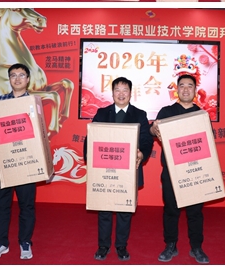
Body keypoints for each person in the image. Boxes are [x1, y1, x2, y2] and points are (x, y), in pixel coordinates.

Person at [89, 77, 153, 261]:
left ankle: (121, 246)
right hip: (105, 170)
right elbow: (91, 137)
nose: (121, 94)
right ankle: (103, 246)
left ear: (131, 93)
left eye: (125, 90)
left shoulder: (139, 114)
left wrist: (142, 153)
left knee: (125, 211)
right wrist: (90, 159)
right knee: (104, 209)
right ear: (112, 93)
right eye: (117, 90)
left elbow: (146, 140)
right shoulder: (102, 113)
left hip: (128, 171)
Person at [149, 74, 210, 264]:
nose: (185, 89)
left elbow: (208, 141)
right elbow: (152, 131)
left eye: (189, 86)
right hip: (172, 170)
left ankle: (196, 247)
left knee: (195, 211)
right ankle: (170, 244)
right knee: (171, 209)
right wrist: (154, 128)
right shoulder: (166, 111)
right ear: (177, 89)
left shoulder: (201, 115)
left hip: (195, 170)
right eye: (182, 86)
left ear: (195, 90)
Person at [0, 63, 37, 260]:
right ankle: (1, 242)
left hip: (26, 160)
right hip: (3, 161)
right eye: (13, 75)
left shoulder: (34, 102)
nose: (17, 79)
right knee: (1, 204)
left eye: (21, 75)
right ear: (9, 79)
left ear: (28, 79)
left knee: (27, 205)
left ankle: (25, 241)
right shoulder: (0, 101)